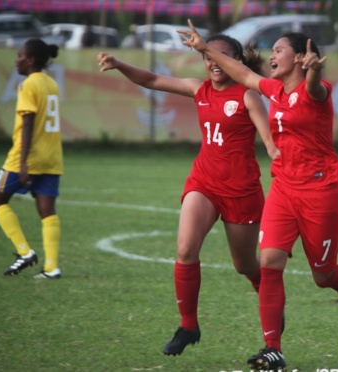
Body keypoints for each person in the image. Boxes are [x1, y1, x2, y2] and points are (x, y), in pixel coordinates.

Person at [181, 20, 338, 371]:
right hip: (284, 190)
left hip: (320, 193)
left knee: (324, 275)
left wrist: (313, 72)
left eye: (279, 50)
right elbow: (241, 73)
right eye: (272, 51)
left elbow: (314, 87)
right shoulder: (274, 91)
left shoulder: (317, 90)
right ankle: (273, 348)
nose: (272, 55)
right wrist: (204, 48)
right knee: (269, 264)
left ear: (301, 58)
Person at [97, 33, 278, 356]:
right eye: (208, 56)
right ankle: (188, 326)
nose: (212, 62)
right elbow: (152, 79)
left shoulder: (249, 95)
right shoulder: (200, 88)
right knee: (184, 249)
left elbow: (269, 142)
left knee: (245, 265)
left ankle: (270, 301)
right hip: (204, 182)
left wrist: (282, 160)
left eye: (220, 56)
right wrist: (119, 63)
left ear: (235, 61)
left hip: (242, 191)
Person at [0, 38, 63, 280]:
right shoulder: (51, 83)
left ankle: (24, 252)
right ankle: (52, 267)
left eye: (20, 55)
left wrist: (22, 163)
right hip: (51, 157)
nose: (16, 60)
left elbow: (29, 122)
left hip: (27, 156)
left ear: (30, 60)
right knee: (47, 210)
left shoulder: (28, 85)